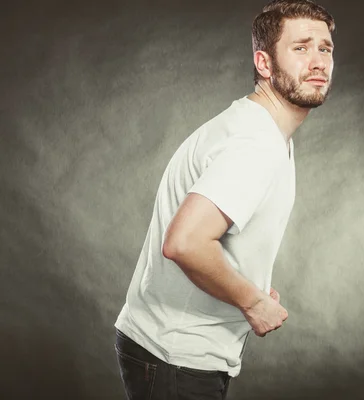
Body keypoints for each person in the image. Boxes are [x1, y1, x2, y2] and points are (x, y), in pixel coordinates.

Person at [113, 1, 336, 399]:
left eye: (325, 48)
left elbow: (217, 236)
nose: (318, 61)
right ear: (264, 64)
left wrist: (247, 283)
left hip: (174, 351)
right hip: (176, 357)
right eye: (301, 48)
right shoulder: (254, 142)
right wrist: (252, 301)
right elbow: (185, 243)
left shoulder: (262, 128)